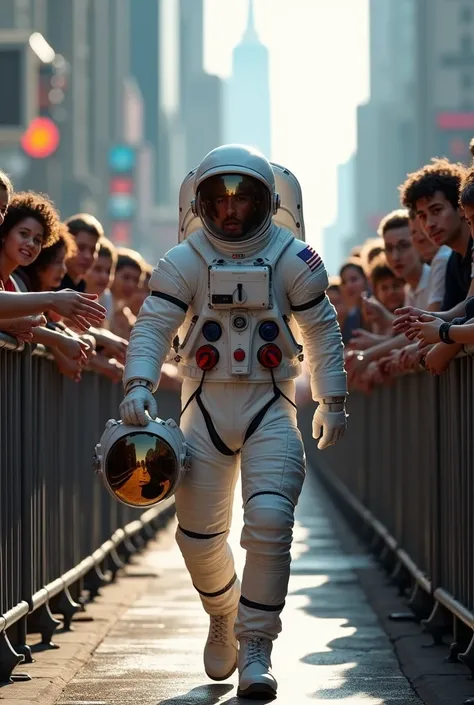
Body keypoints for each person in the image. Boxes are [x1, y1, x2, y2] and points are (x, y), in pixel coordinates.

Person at [118, 145, 347, 699]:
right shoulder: (186, 260)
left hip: (270, 404)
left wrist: (331, 398)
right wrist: (139, 383)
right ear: (200, 203)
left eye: (243, 199)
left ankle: (256, 646)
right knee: (197, 538)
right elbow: (152, 327)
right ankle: (223, 611)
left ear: (266, 201)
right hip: (204, 404)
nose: (230, 213)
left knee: (269, 523)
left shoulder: (293, 258)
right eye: (219, 201)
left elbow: (321, 330)